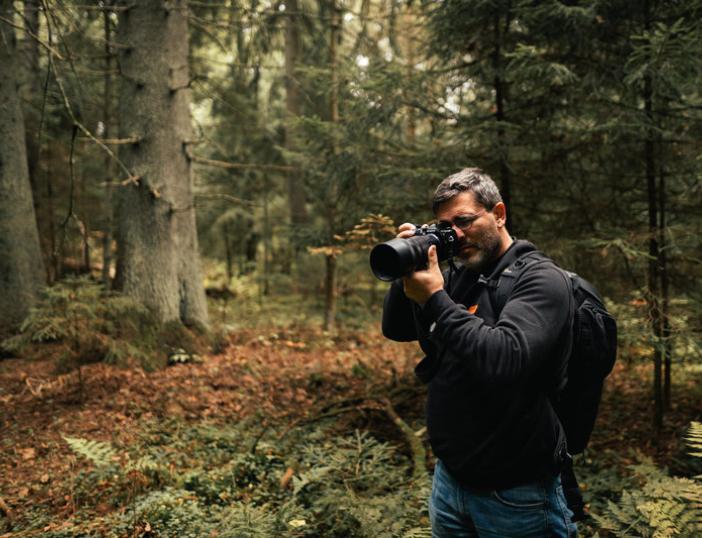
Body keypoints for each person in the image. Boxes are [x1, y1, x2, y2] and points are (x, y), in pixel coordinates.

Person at [382, 168, 578, 537]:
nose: (456, 233)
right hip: (451, 481)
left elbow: (504, 358)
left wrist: (436, 299)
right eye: (445, 225)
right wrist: (407, 266)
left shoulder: (540, 279)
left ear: (499, 214)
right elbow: (397, 329)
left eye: (465, 220)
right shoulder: (460, 275)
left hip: (518, 494)